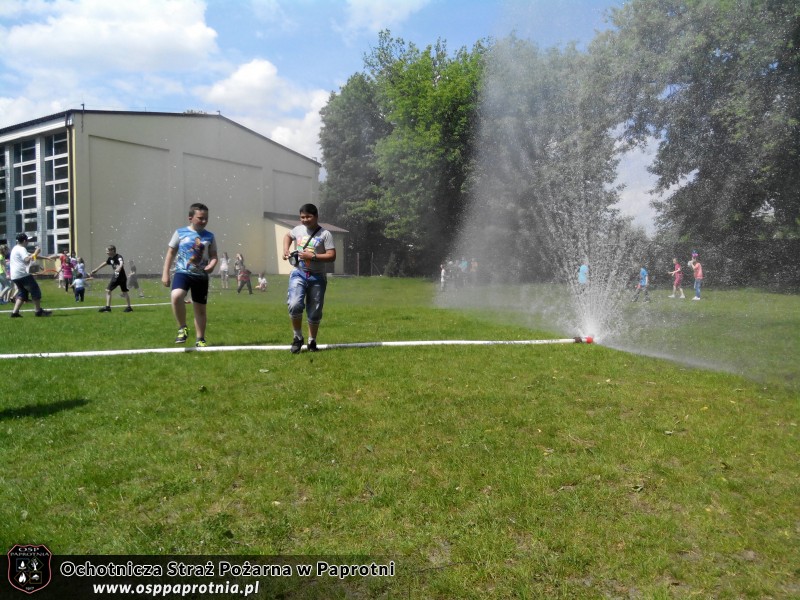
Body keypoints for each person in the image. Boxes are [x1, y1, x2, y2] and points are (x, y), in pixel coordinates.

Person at [161, 202, 218, 347]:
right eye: (200, 218)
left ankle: (200, 339)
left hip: (201, 276)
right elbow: (170, 253)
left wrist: (211, 265)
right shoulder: (180, 233)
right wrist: (165, 273)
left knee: (199, 309)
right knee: (176, 296)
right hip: (182, 273)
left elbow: (213, 255)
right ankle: (182, 327)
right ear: (190, 218)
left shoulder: (210, 236)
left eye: (206, 218)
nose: (204, 221)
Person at [282, 203, 336, 353]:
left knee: (315, 311)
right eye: (302, 217)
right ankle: (297, 337)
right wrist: (286, 249)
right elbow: (288, 236)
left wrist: (312, 256)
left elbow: (332, 256)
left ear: (316, 216)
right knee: (294, 304)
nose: (305, 220)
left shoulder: (325, 234)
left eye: (308, 216)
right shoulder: (297, 229)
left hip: (317, 277)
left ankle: (312, 341)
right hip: (298, 272)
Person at [8, 233, 54, 318]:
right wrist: (36, 252)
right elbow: (26, 259)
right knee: (35, 290)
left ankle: (15, 313)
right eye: (27, 240)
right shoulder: (22, 249)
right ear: (25, 241)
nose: (28, 242)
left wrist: (45, 258)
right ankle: (38, 311)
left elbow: (30, 255)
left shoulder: (15, 248)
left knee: (23, 293)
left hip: (15, 276)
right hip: (23, 275)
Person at [90, 245, 133, 312]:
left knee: (108, 290)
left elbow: (121, 262)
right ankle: (129, 307)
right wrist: (96, 269)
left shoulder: (118, 256)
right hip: (122, 277)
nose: (106, 252)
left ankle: (107, 307)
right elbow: (106, 263)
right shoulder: (110, 258)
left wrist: (119, 267)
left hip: (117, 276)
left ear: (112, 250)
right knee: (124, 292)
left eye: (108, 251)